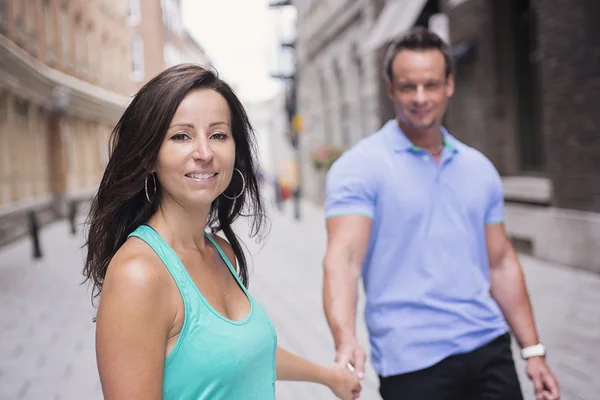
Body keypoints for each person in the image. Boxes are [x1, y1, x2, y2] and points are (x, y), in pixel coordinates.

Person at [83, 64, 361, 400]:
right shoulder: (139, 275)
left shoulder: (220, 250)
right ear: (150, 156)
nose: (204, 153)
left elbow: (241, 354)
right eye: (181, 136)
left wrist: (328, 377)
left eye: (218, 135)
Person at [322, 28, 560, 400]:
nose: (420, 98)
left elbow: (500, 263)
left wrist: (532, 351)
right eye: (407, 87)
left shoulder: (478, 168)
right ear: (391, 89)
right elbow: (344, 260)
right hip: (411, 361)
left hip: (488, 346)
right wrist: (346, 341)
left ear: (449, 85)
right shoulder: (359, 167)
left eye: (430, 85)